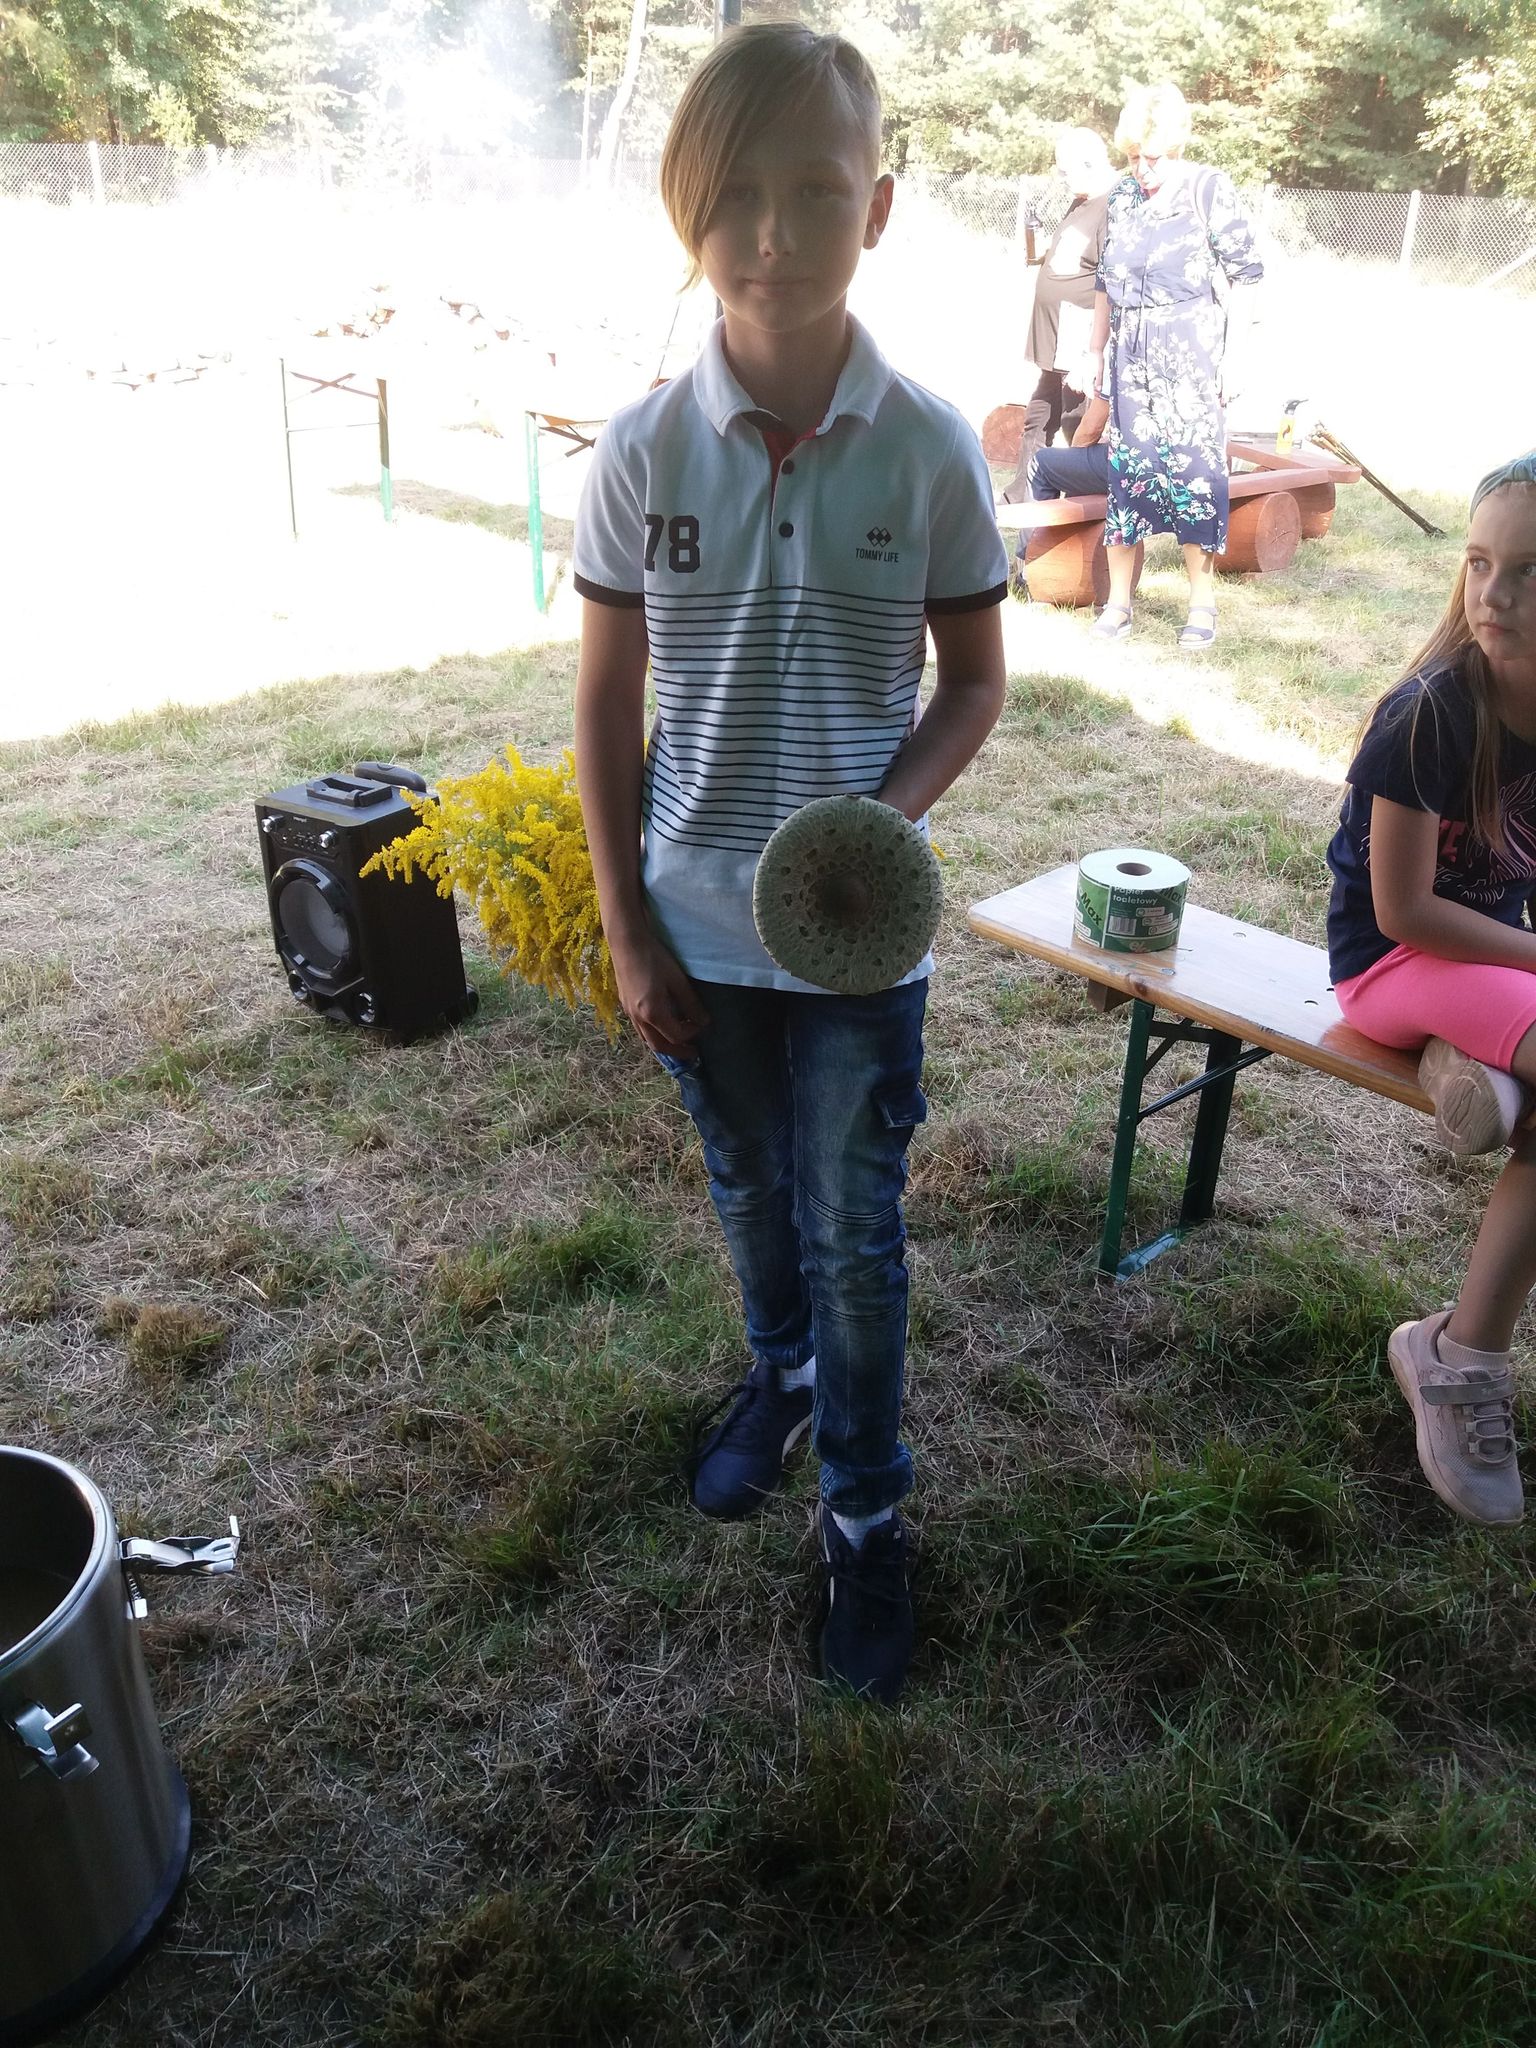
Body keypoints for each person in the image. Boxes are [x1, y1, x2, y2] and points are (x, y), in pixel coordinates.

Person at [571, 23, 1008, 1703]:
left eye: (817, 191)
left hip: (859, 951)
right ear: (688, 210)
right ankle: (783, 1375)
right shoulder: (640, 450)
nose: (773, 232)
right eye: (735, 194)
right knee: (750, 1185)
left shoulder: (929, 447)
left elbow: (972, 683)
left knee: (854, 1229)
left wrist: (877, 826)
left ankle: (868, 1511)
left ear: (877, 206)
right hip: (691, 922)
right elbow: (606, 700)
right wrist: (627, 926)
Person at [1324, 450, 1536, 1527]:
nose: (1494, 594)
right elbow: (1402, 911)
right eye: (1480, 562)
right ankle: (1459, 1355)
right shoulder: (1431, 710)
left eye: (1530, 572)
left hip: (1488, 956)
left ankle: (1487, 1063)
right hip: (1388, 964)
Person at [1081, 82, 1264, 649]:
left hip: (1191, 356)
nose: (1142, 169)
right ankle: (1119, 603)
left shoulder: (1208, 189)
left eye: (1153, 157)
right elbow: (1104, 281)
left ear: (1177, 145)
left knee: (1195, 476)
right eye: (1134, 157)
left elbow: (1246, 277)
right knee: (1128, 473)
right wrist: (1094, 351)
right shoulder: (1122, 197)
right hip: (1130, 358)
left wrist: (1235, 358)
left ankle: (1201, 604)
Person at [997, 127, 1117, 506]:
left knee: (1074, 418)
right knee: (1040, 412)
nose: (1062, 178)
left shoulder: (1114, 204)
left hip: (1079, 334)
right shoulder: (1081, 201)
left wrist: (1092, 348)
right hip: (1055, 333)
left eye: (1066, 171)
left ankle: (1079, 502)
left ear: (1090, 163)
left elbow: (1111, 278)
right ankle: (1021, 496)